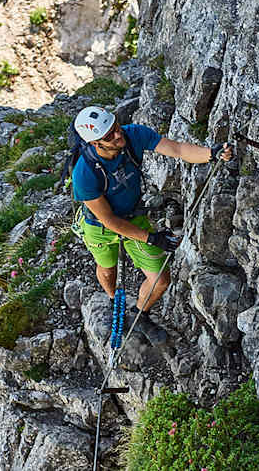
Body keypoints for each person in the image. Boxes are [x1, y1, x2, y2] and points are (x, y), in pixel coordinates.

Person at [71, 105, 233, 344]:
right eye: (109, 136)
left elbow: (177, 149)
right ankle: (113, 298)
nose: (118, 135)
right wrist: (150, 238)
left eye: (116, 126)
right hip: (99, 227)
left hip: (131, 216)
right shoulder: (84, 174)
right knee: (107, 267)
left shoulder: (133, 135)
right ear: (96, 144)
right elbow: (109, 220)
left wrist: (211, 153)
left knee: (161, 279)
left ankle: (140, 314)